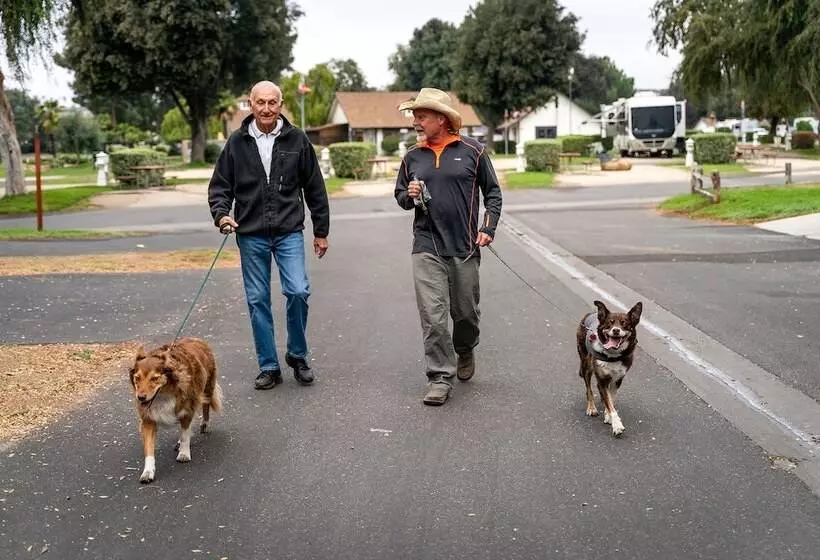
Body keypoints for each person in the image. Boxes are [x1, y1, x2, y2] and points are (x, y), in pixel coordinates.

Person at [209, 80, 330, 390]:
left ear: (280, 104)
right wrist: (222, 214)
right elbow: (220, 186)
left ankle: (297, 355)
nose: (266, 108)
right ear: (251, 105)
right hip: (250, 233)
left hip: (289, 230)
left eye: (271, 102)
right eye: (260, 102)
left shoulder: (297, 139)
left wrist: (321, 231)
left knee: (298, 291)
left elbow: (315, 187)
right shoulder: (236, 142)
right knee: (257, 299)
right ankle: (269, 366)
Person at [394, 88, 503, 405]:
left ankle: (465, 348)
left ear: (441, 119)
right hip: (426, 244)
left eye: (421, 116)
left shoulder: (473, 151)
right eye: (415, 116)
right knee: (433, 315)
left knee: (465, 314)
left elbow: (493, 193)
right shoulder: (412, 156)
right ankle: (440, 377)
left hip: (464, 245)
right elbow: (400, 196)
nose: (416, 122)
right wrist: (409, 194)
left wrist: (488, 227)